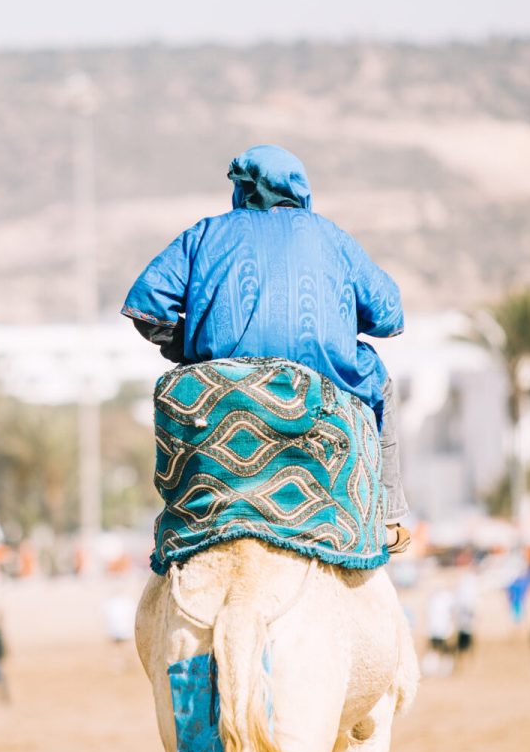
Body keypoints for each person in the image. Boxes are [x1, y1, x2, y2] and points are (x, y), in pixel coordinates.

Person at [121, 144, 409, 542]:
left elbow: (146, 306)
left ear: (240, 189)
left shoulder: (204, 233)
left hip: (223, 378)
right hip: (322, 376)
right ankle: (389, 518)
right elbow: (389, 318)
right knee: (380, 382)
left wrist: (187, 347)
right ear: (301, 191)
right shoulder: (332, 237)